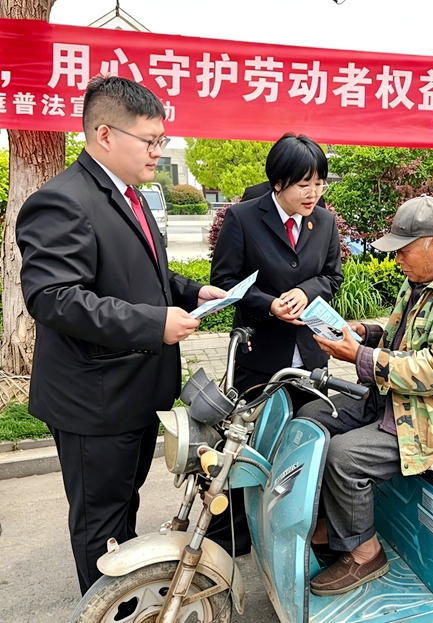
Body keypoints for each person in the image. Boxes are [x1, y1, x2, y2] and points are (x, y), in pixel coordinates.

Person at [15, 76, 225, 594]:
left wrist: (190, 291)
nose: (159, 151)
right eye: (150, 140)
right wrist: (155, 323)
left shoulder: (130, 195)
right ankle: (106, 608)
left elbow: (144, 274)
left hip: (135, 392)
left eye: (162, 140)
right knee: (100, 523)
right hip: (96, 401)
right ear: (105, 135)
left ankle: (123, 600)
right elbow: (54, 298)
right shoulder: (62, 200)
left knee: (122, 509)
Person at [296, 196, 433, 596]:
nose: (396, 259)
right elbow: (405, 339)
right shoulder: (424, 279)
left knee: (345, 456)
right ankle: (333, 526)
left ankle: (366, 553)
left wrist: (360, 356)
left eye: (403, 250)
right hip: (402, 395)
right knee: (312, 415)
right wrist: (365, 334)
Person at [208, 132, 343, 555]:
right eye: (304, 184)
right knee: (246, 445)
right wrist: (269, 304)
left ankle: (294, 530)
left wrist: (306, 290)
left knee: (304, 445)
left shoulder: (325, 222)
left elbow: (332, 276)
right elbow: (224, 282)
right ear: (278, 182)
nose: (314, 193)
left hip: (310, 353)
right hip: (260, 352)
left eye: (319, 183)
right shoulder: (243, 218)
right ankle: (232, 536)